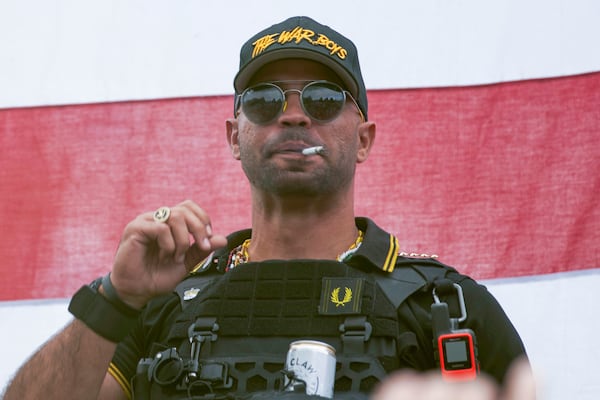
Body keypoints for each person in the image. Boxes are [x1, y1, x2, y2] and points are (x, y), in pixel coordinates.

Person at [3, 16, 528, 400]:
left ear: (364, 139)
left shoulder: (448, 308)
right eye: (265, 100)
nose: (294, 116)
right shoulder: (165, 306)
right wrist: (117, 299)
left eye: (323, 100)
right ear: (236, 136)